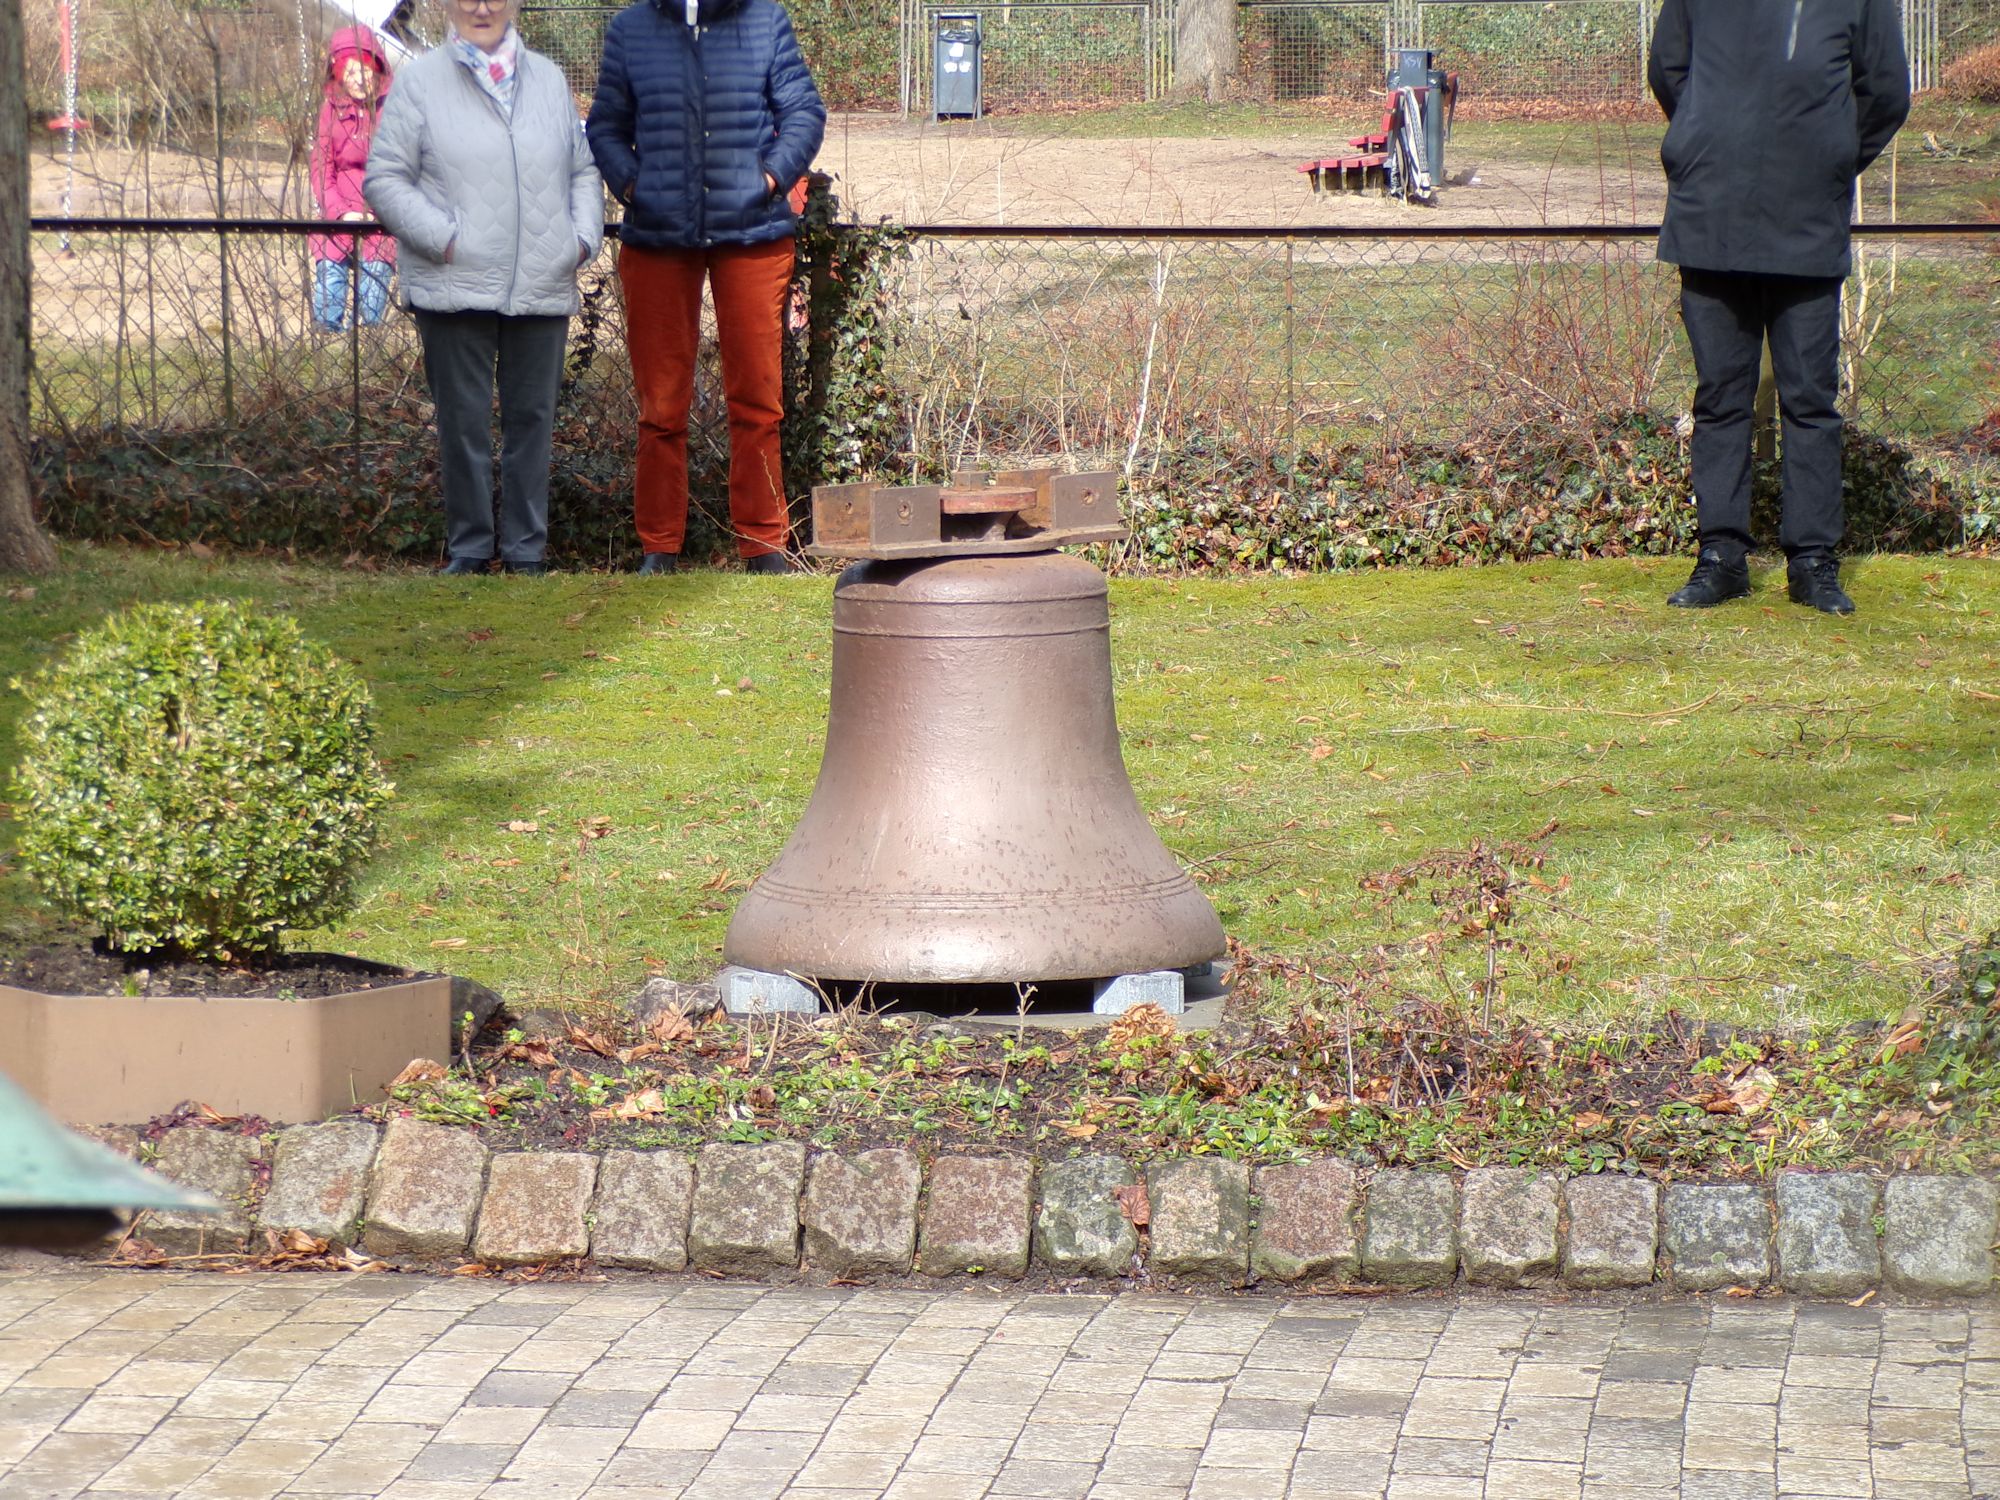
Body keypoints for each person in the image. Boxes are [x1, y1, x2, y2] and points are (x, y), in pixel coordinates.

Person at [1650, 0, 1909, 616]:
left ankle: (1813, 562)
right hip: (1710, 214)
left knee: (1810, 403)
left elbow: (1887, 93)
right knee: (1720, 399)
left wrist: (1829, 158)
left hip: (1807, 223)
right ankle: (1720, 558)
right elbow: (1668, 71)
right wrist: (1703, 140)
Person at [586, 0, 827, 575]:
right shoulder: (631, 27)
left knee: (757, 399)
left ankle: (764, 542)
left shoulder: (764, 20)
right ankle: (659, 546)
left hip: (752, 235)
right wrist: (635, 186)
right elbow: (605, 125)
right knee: (661, 405)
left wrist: (768, 178)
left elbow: (804, 113)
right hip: (658, 237)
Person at [363, 0, 604, 576]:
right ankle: (470, 548)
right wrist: (445, 240)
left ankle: (526, 552)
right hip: (453, 282)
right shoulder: (420, 82)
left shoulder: (548, 79)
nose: (481, 6)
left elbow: (583, 170)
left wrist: (579, 242)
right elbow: (384, 178)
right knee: (463, 424)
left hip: (542, 280)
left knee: (533, 424)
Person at [309, 27, 395, 332]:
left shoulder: (393, 110)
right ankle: (327, 338)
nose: (360, 78)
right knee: (330, 272)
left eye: (366, 70)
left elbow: (404, 170)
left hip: (381, 217)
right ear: (339, 73)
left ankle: (369, 343)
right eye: (351, 70)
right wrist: (341, 212)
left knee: (373, 291)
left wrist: (380, 211)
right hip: (338, 212)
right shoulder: (329, 110)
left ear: (378, 70)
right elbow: (321, 169)